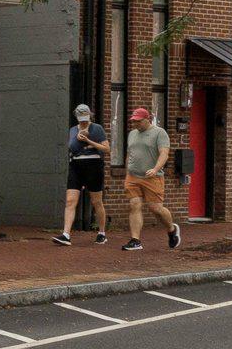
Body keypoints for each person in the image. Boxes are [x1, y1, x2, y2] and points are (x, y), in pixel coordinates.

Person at [122, 106, 180, 251]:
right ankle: (135, 240)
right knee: (134, 205)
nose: (135, 124)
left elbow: (164, 153)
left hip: (152, 178)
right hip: (133, 176)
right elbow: (130, 153)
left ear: (147, 119)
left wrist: (155, 169)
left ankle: (172, 229)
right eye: (134, 122)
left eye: (138, 121)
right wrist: (126, 172)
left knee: (156, 208)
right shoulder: (132, 134)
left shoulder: (159, 133)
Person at [52, 104, 109, 245]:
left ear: (90, 115)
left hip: (93, 165)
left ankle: (101, 232)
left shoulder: (97, 128)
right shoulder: (72, 130)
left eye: (85, 117)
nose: (83, 121)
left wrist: (89, 141)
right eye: (80, 118)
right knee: (70, 201)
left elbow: (106, 149)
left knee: (96, 201)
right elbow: (71, 147)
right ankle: (66, 234)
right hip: (76, 165)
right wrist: (78, 140)